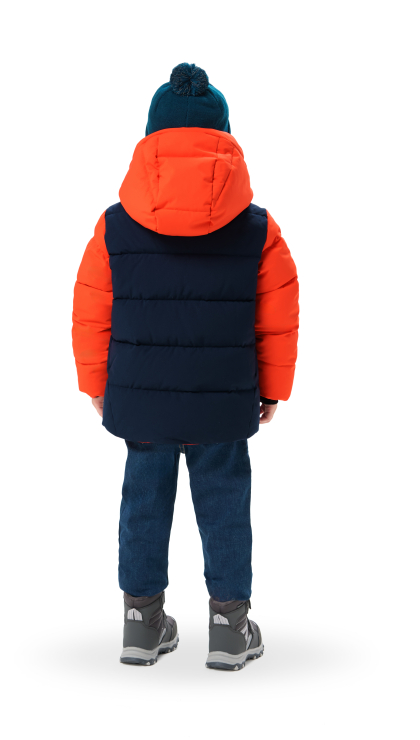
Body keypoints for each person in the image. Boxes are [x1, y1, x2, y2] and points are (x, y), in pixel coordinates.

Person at [72, 63, 299, 671]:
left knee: (143, 501)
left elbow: (91, 309)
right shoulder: (258, 228)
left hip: (141, 398)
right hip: (222, 397)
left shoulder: (114, 225)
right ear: (224, 139)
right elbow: (278, 312)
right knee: (224, 502)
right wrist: (273, 389)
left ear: (150, 140)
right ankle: (229, 627)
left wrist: (96, 383)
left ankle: (141, 623)